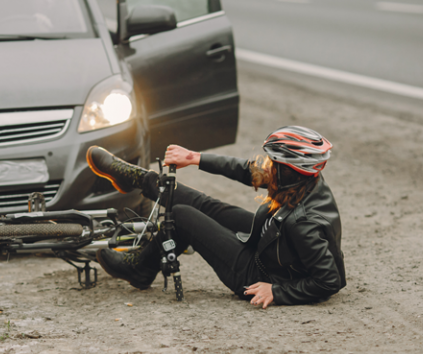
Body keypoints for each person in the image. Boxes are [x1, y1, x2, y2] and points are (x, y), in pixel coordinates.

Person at [86, 126, 346, 307]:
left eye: (274, 163)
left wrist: (276, 292)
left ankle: (139, 269)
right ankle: (142, 179)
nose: (268, 166)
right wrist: (195, 158)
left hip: (257, 274)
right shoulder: (302, 181)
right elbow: (248, 171)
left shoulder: (303, 224)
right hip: (272, 242)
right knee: (206, 204)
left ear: (291, 171)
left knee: (183, 215)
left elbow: (329, 280)